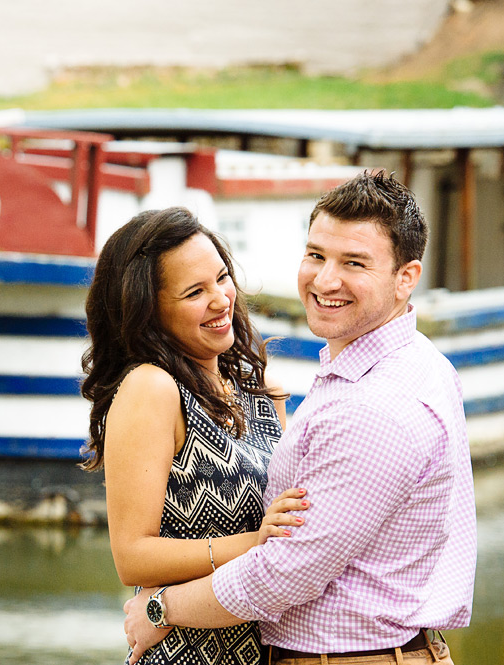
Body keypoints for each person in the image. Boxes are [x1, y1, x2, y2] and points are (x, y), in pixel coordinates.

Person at [123, 172, 477, 665]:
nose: (325, 280)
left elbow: (285, 574)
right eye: (316, 255)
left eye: (354, 263)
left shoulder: (375, 406)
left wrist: (161, 608)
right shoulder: (412, 364)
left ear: (406, 278)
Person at [81, 207, 309, 665]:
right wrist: (255, 543)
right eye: (194, 292)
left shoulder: (259, 394)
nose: (221, 299)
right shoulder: (152, 388)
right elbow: (132, 557)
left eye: (222, 278)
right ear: (150, 312)